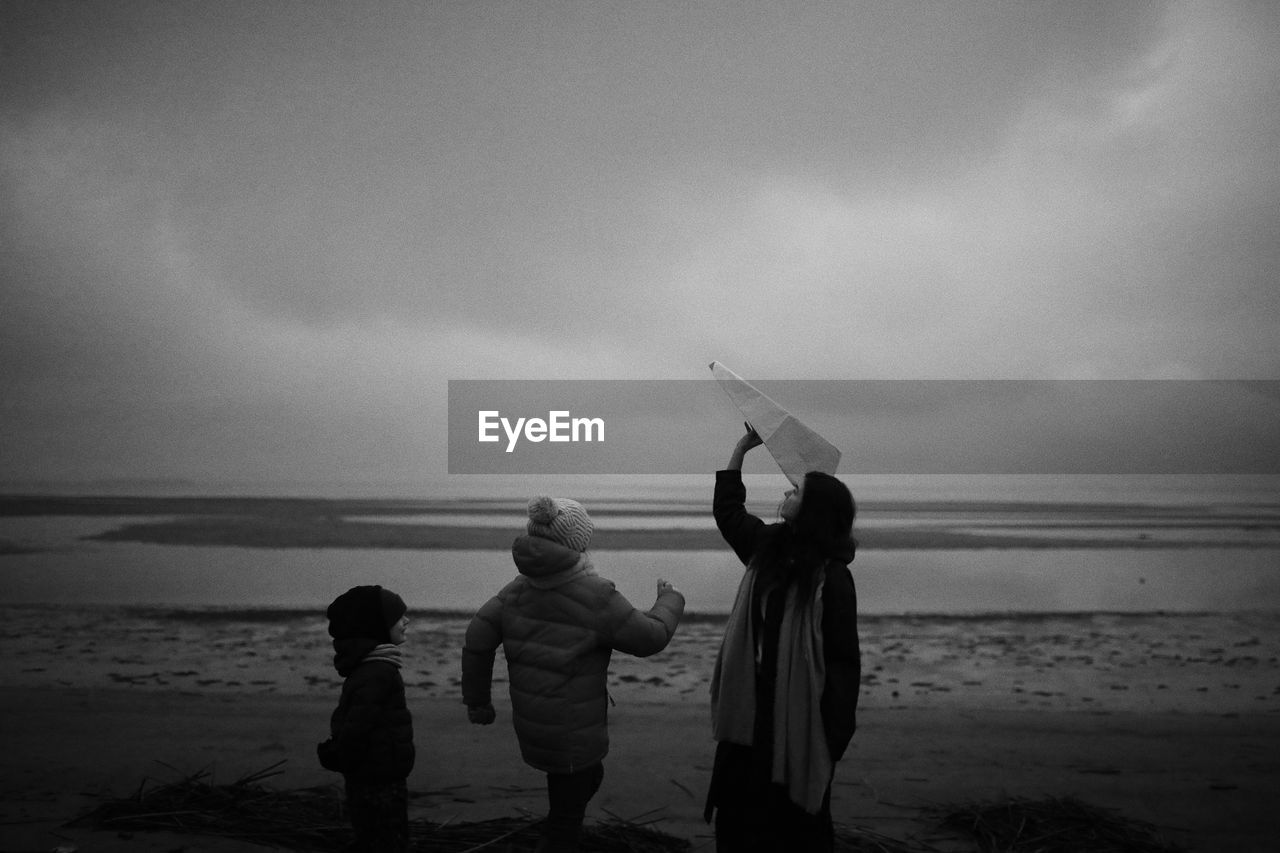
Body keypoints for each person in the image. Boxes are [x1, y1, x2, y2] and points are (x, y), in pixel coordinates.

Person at [462, 495, 686, 853]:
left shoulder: (515, 590)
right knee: (574, 797)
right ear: (580, 542)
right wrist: (670, 599)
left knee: (572, 786)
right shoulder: (596, 595)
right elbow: (651, 638)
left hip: (535, 720)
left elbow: (477, 640)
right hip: (572, 729)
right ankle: (556, 839)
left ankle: (556, 829)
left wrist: (478, 702)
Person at [704, 426, 861, 852]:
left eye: (796, 491)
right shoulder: (766, 548)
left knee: (796, 832)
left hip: (798, 725)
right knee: (737, 827)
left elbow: (845, 666)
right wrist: (740, 449)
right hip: (748, 713)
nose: (787, 494)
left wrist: (830, 741)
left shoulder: (833, 579)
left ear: (811, 510)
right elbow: (728, 512)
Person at [317, 584, 415, 853]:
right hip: (378, 777)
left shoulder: (373, 667)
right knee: (386, 840)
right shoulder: (378, 672)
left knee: (376, 835)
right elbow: (356, 727)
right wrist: (340, 754)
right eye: (398, 616)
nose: (406, 621)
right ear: (376, 626)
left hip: (376, 772)